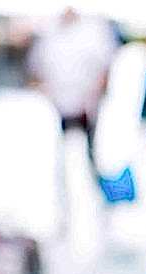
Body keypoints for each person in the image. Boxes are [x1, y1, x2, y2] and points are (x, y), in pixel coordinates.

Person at [27, 8, 118, 175]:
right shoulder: (48, 33)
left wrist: (94, 96)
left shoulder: (95, 31)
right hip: (58, 105)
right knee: (58, 154)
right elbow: (36, 70)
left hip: (88, 106)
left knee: (93, 155)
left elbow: (107, 68)